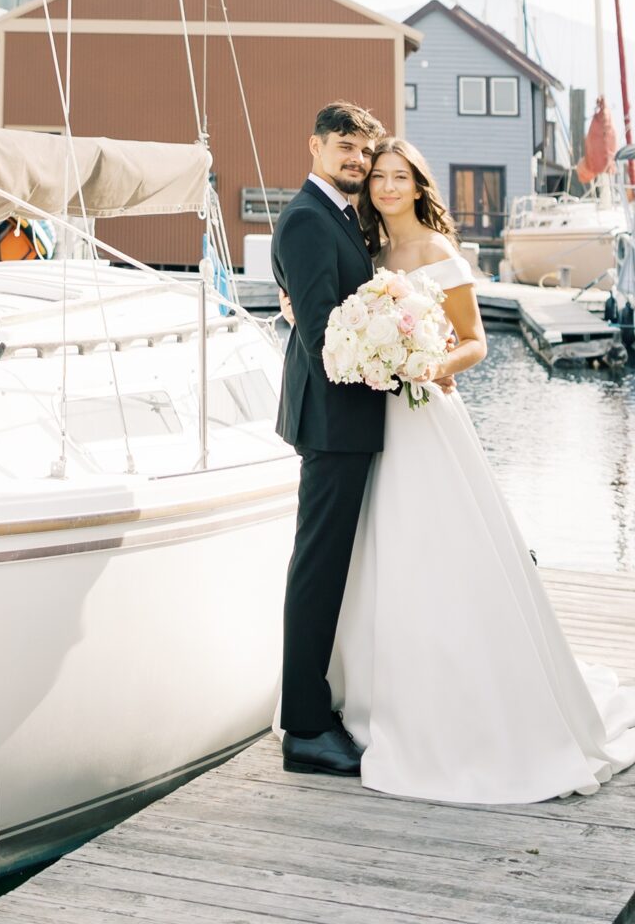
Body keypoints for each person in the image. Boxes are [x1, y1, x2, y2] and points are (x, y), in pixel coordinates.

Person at [330, 135, 635, 802]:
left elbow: (475, 344)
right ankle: (381, 692)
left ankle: (471, 696)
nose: (388, 188)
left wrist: (432, 364)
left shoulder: (437, 253)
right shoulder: (367, 253)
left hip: (425, 414)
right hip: (377, 418)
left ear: (418, 185)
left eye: (400, 177)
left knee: (441, 549)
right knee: (383, 550)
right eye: (380, 179)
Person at [271, 98, 388, 777]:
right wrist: (389, 362)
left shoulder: (337, 217)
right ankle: (305, 729)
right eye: (344, 145)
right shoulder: (309, 220)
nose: (356, 159)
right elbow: (321, 340)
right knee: (316, 571)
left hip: (343, 419)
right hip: (331, 421)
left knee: (328, 566)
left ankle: (321, 707)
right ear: (314, 146)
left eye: (363, 151)